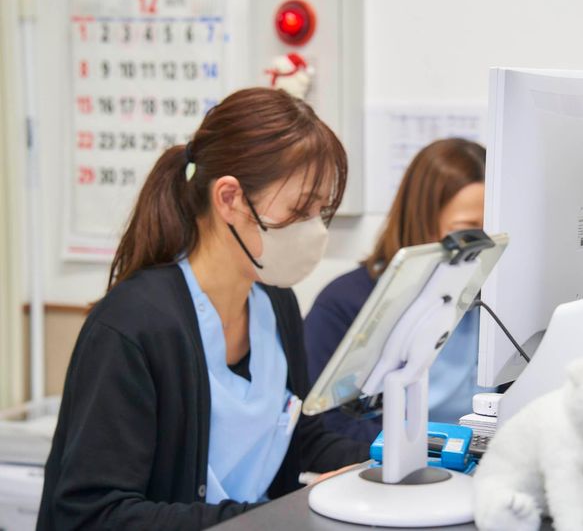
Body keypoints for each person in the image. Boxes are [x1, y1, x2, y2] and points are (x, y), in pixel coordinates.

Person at [37, 88, 369, 530]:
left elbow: (295, 434)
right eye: (300, 210)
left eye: (320, 211)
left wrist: (386, 460)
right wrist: (273, 516)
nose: (315, 230)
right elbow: (93, 513)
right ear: (229, 198)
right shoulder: (132, 327)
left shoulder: (275, 303)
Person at [305, 138, 488, 443]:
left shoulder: (490, 302)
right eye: (466, 230)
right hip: (395, 460)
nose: (480, 245)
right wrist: (422, 450)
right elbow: (327, 427)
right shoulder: (343, 304)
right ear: (422, 221)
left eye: (488, 229)